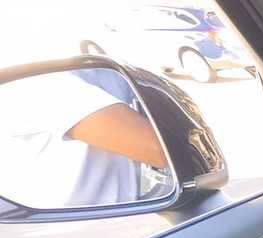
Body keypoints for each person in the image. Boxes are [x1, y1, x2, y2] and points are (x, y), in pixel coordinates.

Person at [0, 67, 168, 209]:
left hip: (117, 219)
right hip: (87, 232)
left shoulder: (99, 65)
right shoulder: (45, 81)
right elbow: (159, 150)